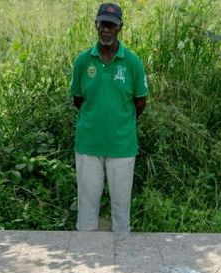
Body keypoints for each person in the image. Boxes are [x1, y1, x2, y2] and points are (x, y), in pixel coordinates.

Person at [70, 2, 148, 233]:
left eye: (111, 25)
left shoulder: (132, 62)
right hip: (88, 144)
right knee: (86, 209)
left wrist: (119, 124)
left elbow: (140, 102)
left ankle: (122, 263)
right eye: (102, 24)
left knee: (121, 211)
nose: (106, 29)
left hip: (122, 146)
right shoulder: (83, 62)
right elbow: (78, 100)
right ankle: (85, 263)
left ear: (120, 28)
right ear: (95, 25)